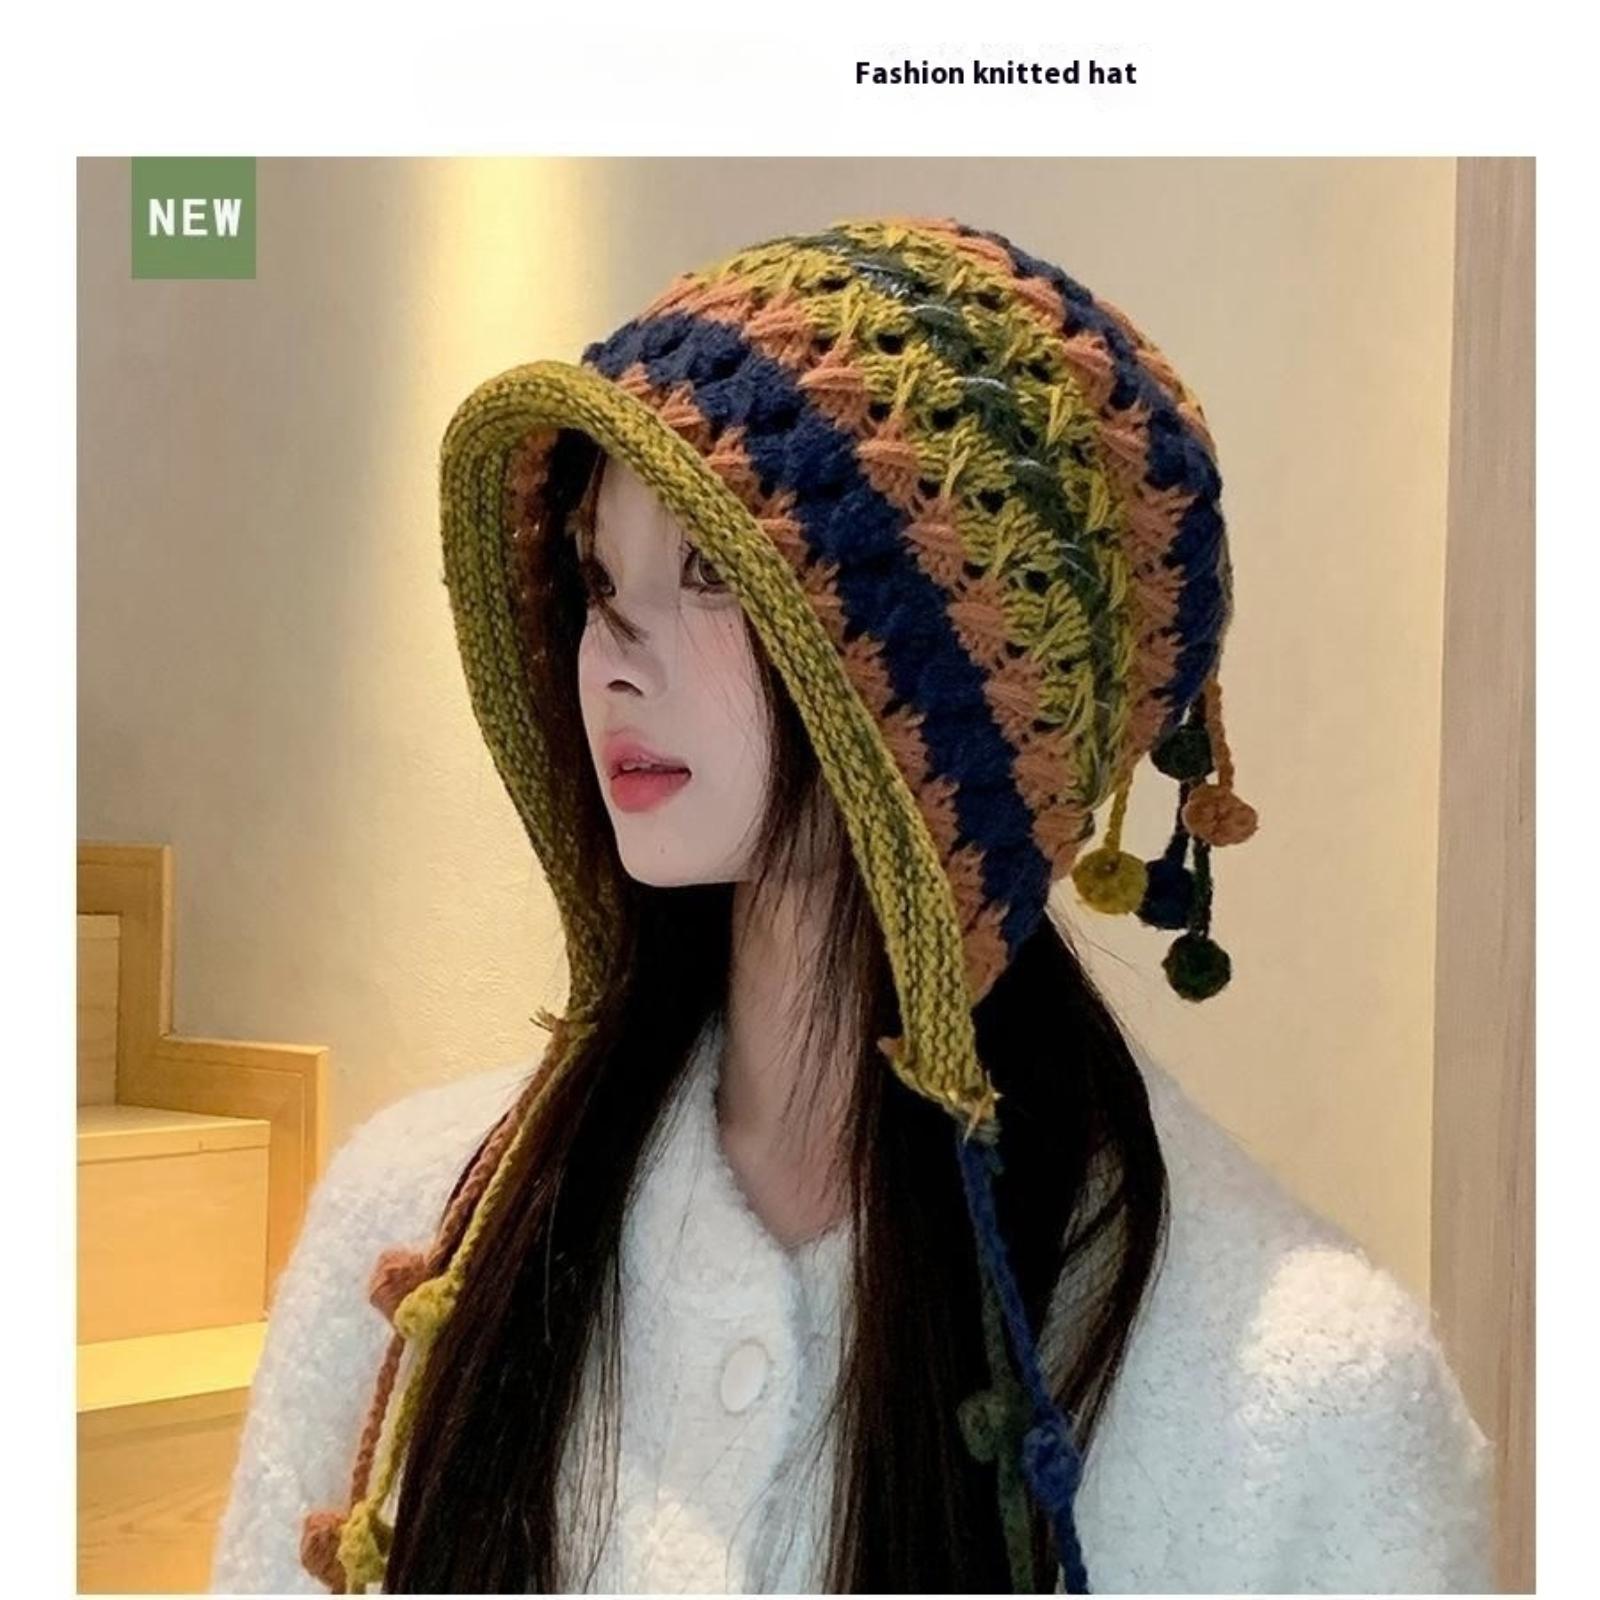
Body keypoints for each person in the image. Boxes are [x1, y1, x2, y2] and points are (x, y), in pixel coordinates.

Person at [210, 216, 1495, 1594]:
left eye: (711, 575)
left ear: (955, 693)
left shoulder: (1303, 1408)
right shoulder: (414, 1234)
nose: (611, 663)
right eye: (598, 577)